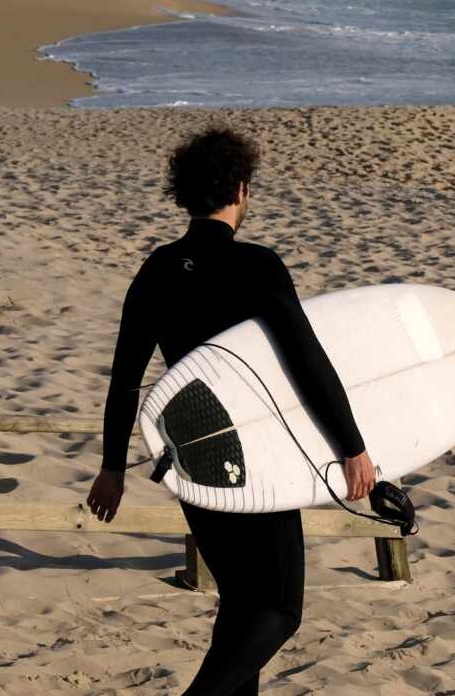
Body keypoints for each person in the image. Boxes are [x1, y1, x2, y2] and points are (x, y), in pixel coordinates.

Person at [85, 127, 376, 696]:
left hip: (193, 454)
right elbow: (308, 363)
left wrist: (112, 466)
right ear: (240, 189)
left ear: (185, 194)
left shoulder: (157, 269)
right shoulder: (257, 267)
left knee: (243, 605)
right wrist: (352, 447)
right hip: (255, 449)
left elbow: (124, 379)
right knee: (280, 609)